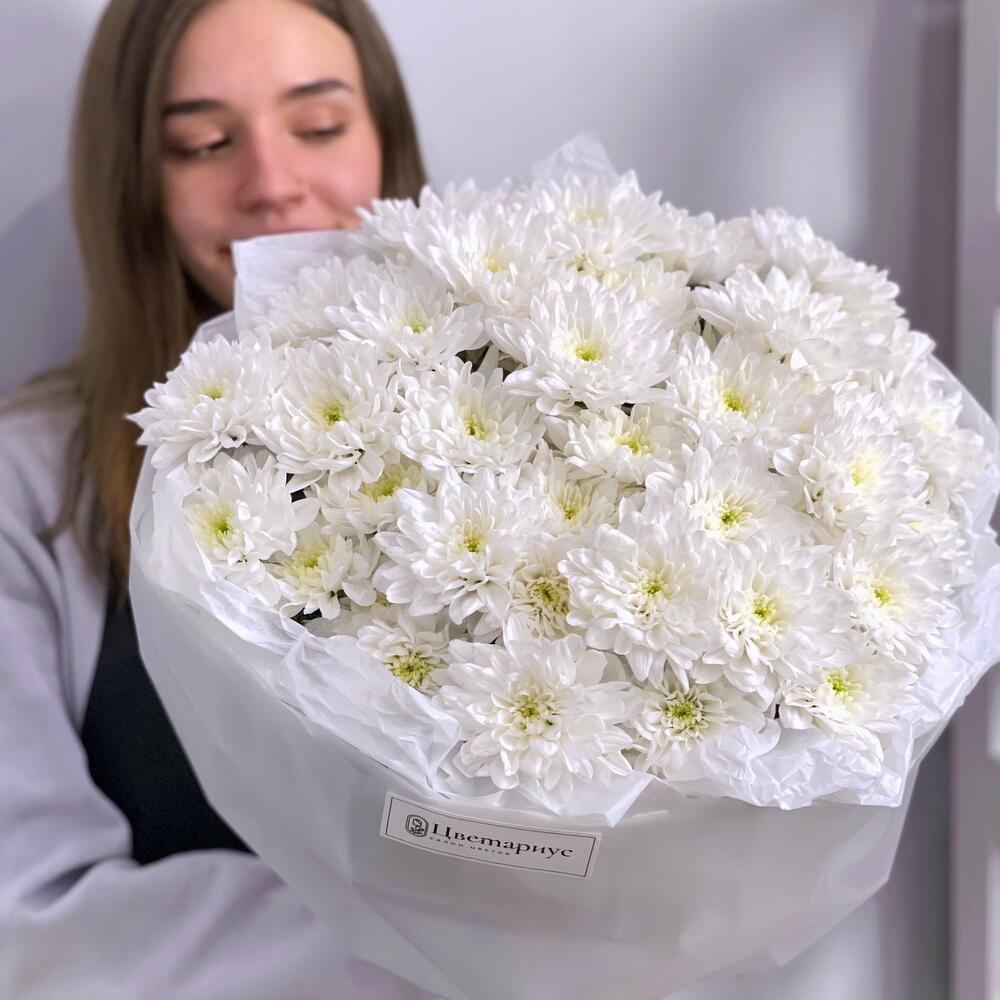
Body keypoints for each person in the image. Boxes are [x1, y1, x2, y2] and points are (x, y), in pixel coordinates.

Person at [0, 0, 436, 996]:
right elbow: (30, 924)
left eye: (319, 126)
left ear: (385, 142)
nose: (272, 183)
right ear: (134, 181)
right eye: (204, 144)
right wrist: (467, 952)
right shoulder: (28, 486)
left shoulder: (538, 450)